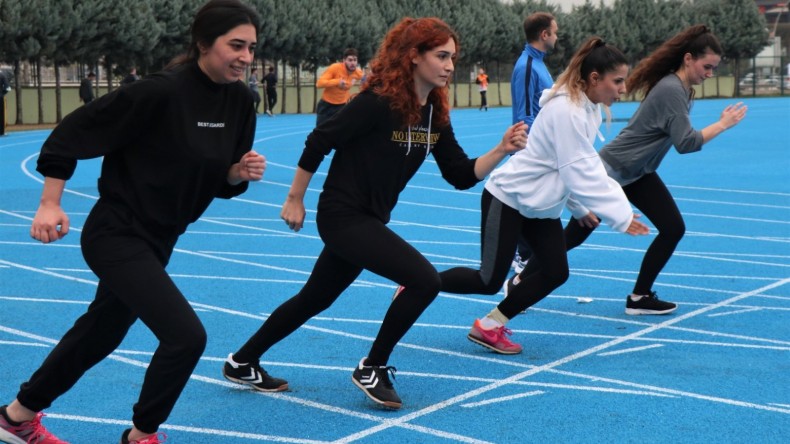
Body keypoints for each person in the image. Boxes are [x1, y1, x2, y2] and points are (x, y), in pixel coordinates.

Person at [222, 17, 527, 409]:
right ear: (414, 56)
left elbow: (460, 174)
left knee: (314, 298)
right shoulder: (377, 103)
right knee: (424, 280)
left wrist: (501, 150)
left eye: (452, 57)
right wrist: (295, 198)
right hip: (343, 216)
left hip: (370, 218)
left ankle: (242, 361)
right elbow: (320, 140)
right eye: (441, 56)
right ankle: (372, 367)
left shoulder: (433, 114)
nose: (450, 65)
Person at [0, 1, 264, 443]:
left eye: (252, 48)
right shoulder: (158, 93)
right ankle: (142, 436)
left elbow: (219, 178)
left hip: (162, 238)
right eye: (236, 45)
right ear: (204, 43)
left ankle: (15, 418)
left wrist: (237, 173)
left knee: (101, 331)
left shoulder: (241, 101)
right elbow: (70, 133)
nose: (245, 57)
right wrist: (49, 203)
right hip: (117, 231)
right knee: (185, 337)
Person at [517, 24, 748, 316]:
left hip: (638, 171)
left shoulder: (681, 89)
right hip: (615, 168)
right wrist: (723, 124)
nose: (710, 74)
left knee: (673, 228)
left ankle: (640, 297)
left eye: (714, 68)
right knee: (576, 233)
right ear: (688, 59)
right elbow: (686, 143)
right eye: (707, 67)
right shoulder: (672, 90)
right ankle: (520, 283)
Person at [438, 37, 649, 355]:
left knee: (555, 272)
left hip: (539, 207)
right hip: (508, 198)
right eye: (617, 81)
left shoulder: (587, 109)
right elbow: (580, 169)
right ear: (595, 78)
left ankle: (490, 326)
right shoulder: (568, 110)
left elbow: (565, 166)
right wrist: (620, 214)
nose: (623, 89)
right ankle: (420, 282)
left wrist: (580, 209)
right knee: (488, 280)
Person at [510, 12, 559, 274]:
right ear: (544, 34)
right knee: (526, 203)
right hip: (531, 147)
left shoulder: (538, 63)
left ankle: (524, 252)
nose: (557, 37)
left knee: (536, 202)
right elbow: (526, 114)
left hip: (541, 146)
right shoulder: (527, 65)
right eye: (555, 32)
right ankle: (522, 254)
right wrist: (531, 149)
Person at [314, 48, 363, 126]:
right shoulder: (335, 68)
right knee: (321, 130)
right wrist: (337, 82)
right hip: (326, 105)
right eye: (350, 60)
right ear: (344, 60)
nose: (353, 63)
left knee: (340, 130)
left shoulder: (358, 73)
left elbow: (368, 80)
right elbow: (319, 83)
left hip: (342, 106)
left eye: (355, 60)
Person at [0, 70, 9, 136]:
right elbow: (7, 88)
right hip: (0, 97)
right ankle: (1, 131)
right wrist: (2, 94)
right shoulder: (2, 76)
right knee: (1, 114)